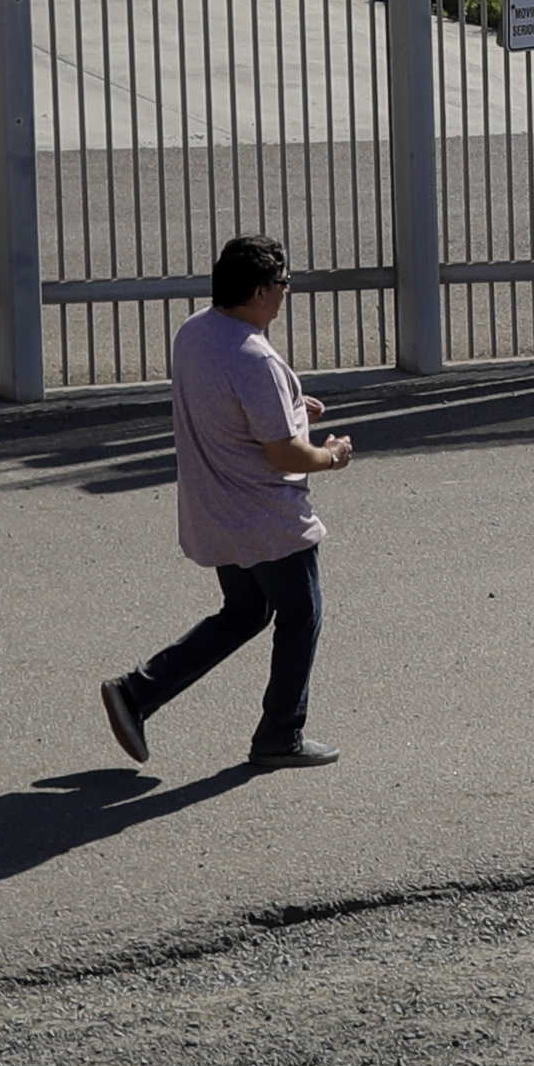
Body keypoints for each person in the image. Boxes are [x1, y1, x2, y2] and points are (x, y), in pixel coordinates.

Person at [99, 236, 350, 770]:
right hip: (265, 517)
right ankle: (280, 734)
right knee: (301, 614)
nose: (286, 294)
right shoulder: (254, 356)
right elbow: (284, 450)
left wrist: (289, 404)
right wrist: (331, 456)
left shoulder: (196, 331)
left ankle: (137, 693)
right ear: (260, 292)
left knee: (245, 611)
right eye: (284, 285)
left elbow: (224, 403)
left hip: (215, 507)